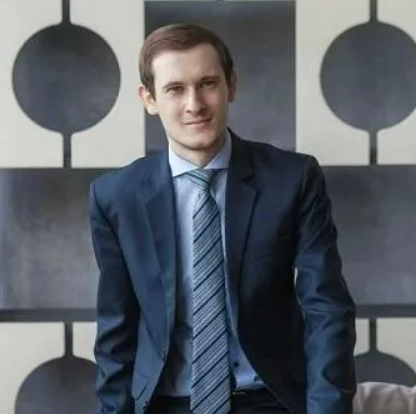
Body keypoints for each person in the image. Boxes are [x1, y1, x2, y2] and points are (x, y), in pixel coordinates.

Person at [89, 23, 356, 414]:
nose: (194, 104)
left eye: (207, 83)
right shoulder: (115, 197)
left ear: (231, 85)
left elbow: (327, 309)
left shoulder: (293, 179)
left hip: (269, 399)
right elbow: (116, 331)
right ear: (149, 99)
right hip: (165, 403)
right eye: (175, 89)